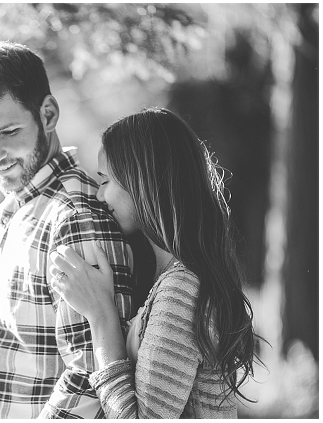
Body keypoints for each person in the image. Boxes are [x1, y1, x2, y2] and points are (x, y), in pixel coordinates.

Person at [0, 41, 137, 419]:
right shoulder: (6, 213)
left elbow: (92, 375)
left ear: (48, 114)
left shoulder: (75, 218)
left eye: (8, 131)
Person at [50, 107, 259, 418]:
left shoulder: (182, 290)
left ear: (140, 182)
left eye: (106, 180)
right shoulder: (170, 279)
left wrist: (100, 313)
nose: (99, 194)